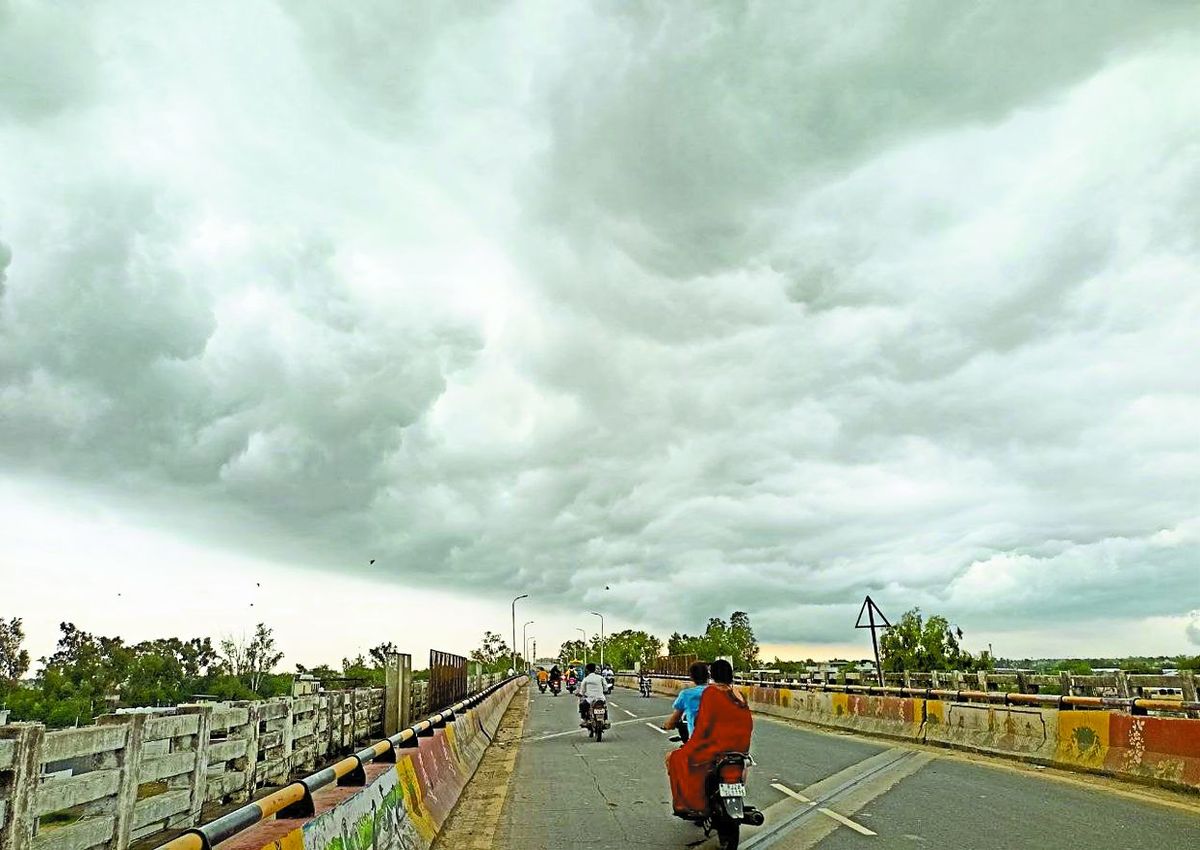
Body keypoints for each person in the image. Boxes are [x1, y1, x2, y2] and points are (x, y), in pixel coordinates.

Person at [666, 659, 752, 818]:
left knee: (675, 758)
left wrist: (690, 746)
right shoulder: (739, 694)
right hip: (740, 749)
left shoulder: (711, 693)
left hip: (716, 748)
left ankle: (690, 804)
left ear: (713, 675)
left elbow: (703, 726)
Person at [662, 661, 709, 743]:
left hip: (697, 743)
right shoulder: (717, 692)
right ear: (708, 675)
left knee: (672, 753)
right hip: (719, 741)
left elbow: (674, 719)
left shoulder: (686, 694)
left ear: (691, 677)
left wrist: (668, 725)